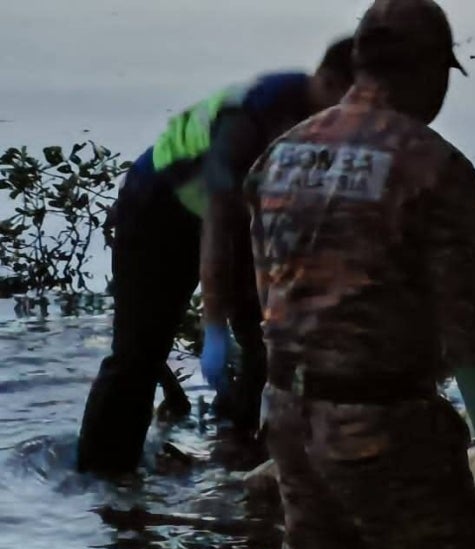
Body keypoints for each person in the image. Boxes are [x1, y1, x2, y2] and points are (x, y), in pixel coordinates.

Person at [245, 1, 475, 549]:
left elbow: (267, 296)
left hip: (290, 413)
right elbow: (469, 330)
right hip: (385, 422)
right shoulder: (432, 165)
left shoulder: (282, 153)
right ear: (428, 70)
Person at [76, 38, 354, 474]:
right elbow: (220, 221)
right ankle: (101, 483)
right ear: (330, 81)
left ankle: (241, 462)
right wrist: (212, 327)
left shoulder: (333, 127)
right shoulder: (256, 114)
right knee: (137, 354)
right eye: (353, 98)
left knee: (268, 341)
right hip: (158, 209)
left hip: (240, 221)